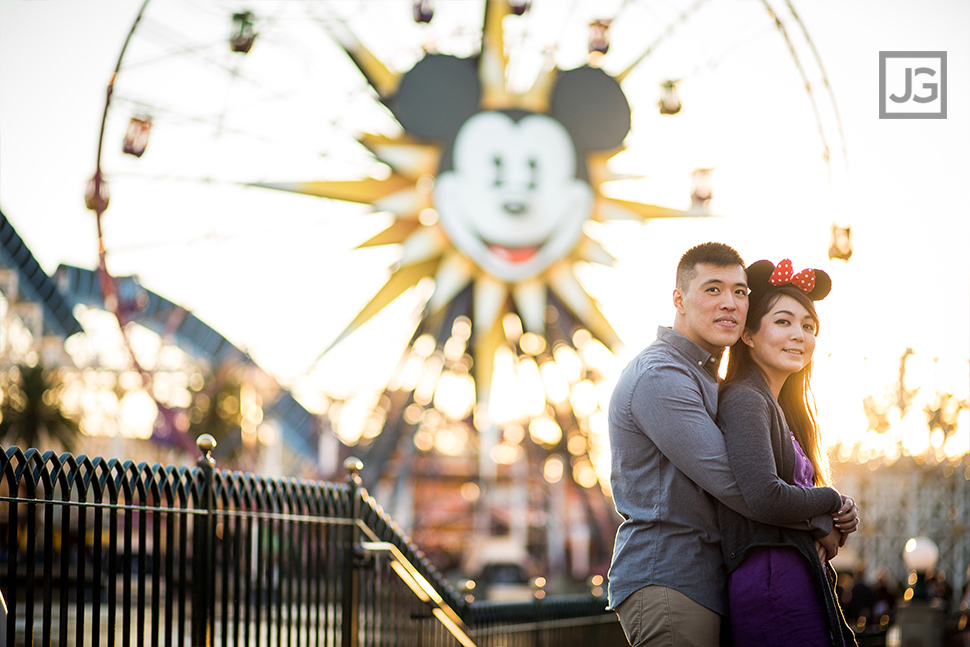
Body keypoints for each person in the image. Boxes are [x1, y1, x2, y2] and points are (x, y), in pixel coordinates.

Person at [607, 243, 858, 646]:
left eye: (740, 292)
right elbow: (738, 485)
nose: (729, 303)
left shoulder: (706, 377)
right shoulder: (660, 376)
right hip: (671, 576)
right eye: (713, 289)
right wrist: (823, 514)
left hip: (707, 578)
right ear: (679, 299)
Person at [716, 258, 859, 646]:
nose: (799, 334)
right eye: (783, 321)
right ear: (748, 335)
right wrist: (831, 500)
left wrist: (835, 515)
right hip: (771, 585)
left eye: (808, 326)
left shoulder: (780, 408)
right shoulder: (746, 398)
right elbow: (764, 496)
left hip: (790, 577)